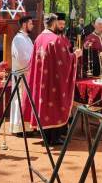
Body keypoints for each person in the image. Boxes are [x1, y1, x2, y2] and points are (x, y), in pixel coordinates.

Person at [22, 13, 82, 146]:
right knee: (54, 105)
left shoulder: (38, 38)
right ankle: (54, 138)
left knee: (44, 106)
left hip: (41, 80)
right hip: (52, 81)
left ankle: (46, 137)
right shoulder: (55, 39)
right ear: (54, 23)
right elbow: (64, 61)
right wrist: (75, 56)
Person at [10, 16, 34, 135]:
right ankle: (18, 129)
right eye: (30, 23)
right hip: (21, 75)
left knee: (26, 100)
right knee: (19, 100)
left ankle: (27, 127)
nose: (32, 25)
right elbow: (22, 60)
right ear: (24, 24)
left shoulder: (27, 39)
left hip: (28, 74)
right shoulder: (18, 39)